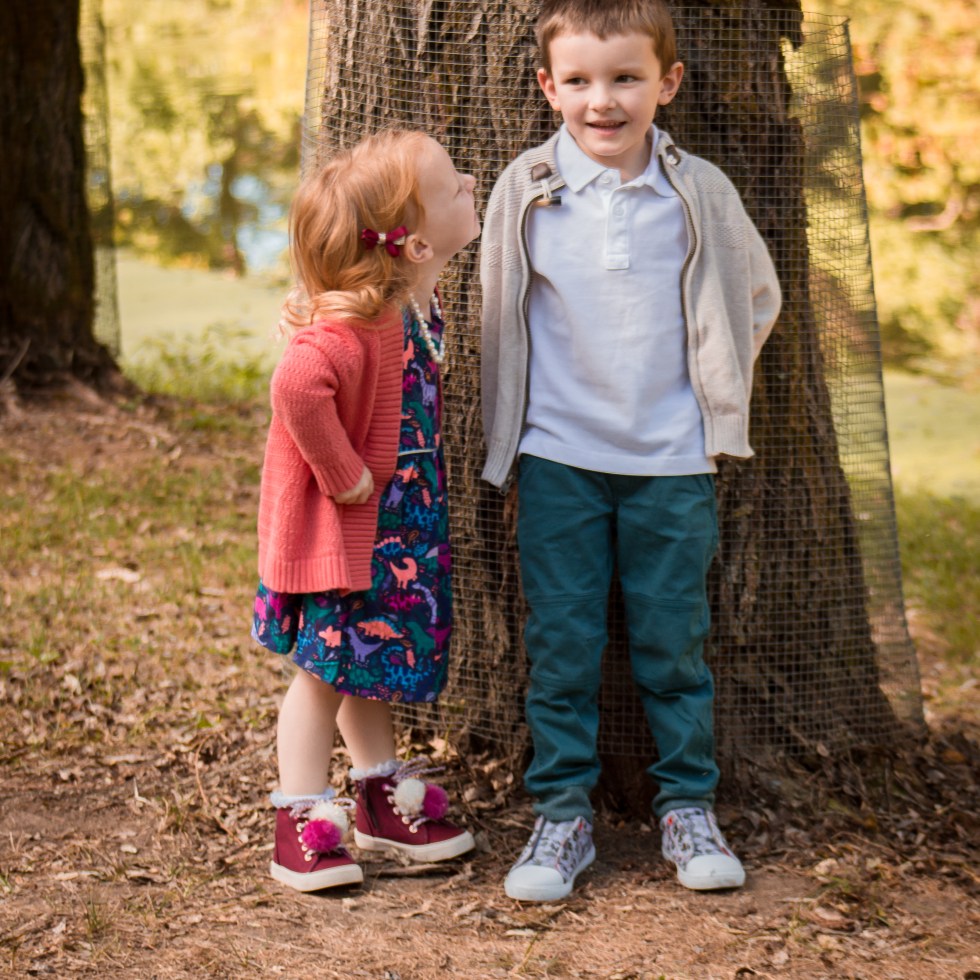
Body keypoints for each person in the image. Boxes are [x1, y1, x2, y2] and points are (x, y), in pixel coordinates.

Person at [480, 0, 782, 902]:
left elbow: (756, 298)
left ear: (667, 83)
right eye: (578, 80)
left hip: (673, 463)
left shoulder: (701, 193)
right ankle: (561, 816)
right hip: (559, 459)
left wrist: (710, 392)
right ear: (549, 87)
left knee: (674, 646)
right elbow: (498, 313)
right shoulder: (527, 188)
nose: (601, 100)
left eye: (625, 78)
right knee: (563, 646)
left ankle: (688, 807)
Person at [252, 129, 481, 892]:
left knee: (365, 666)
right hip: (350, 532)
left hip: (397, 531)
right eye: (453, 185)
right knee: (324, 672)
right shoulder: (362, 324)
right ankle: (300, 820)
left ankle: (380, 796)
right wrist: (341, 470)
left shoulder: (413, 304)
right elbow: (296, 386)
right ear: (416, 244)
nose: (471, 183)